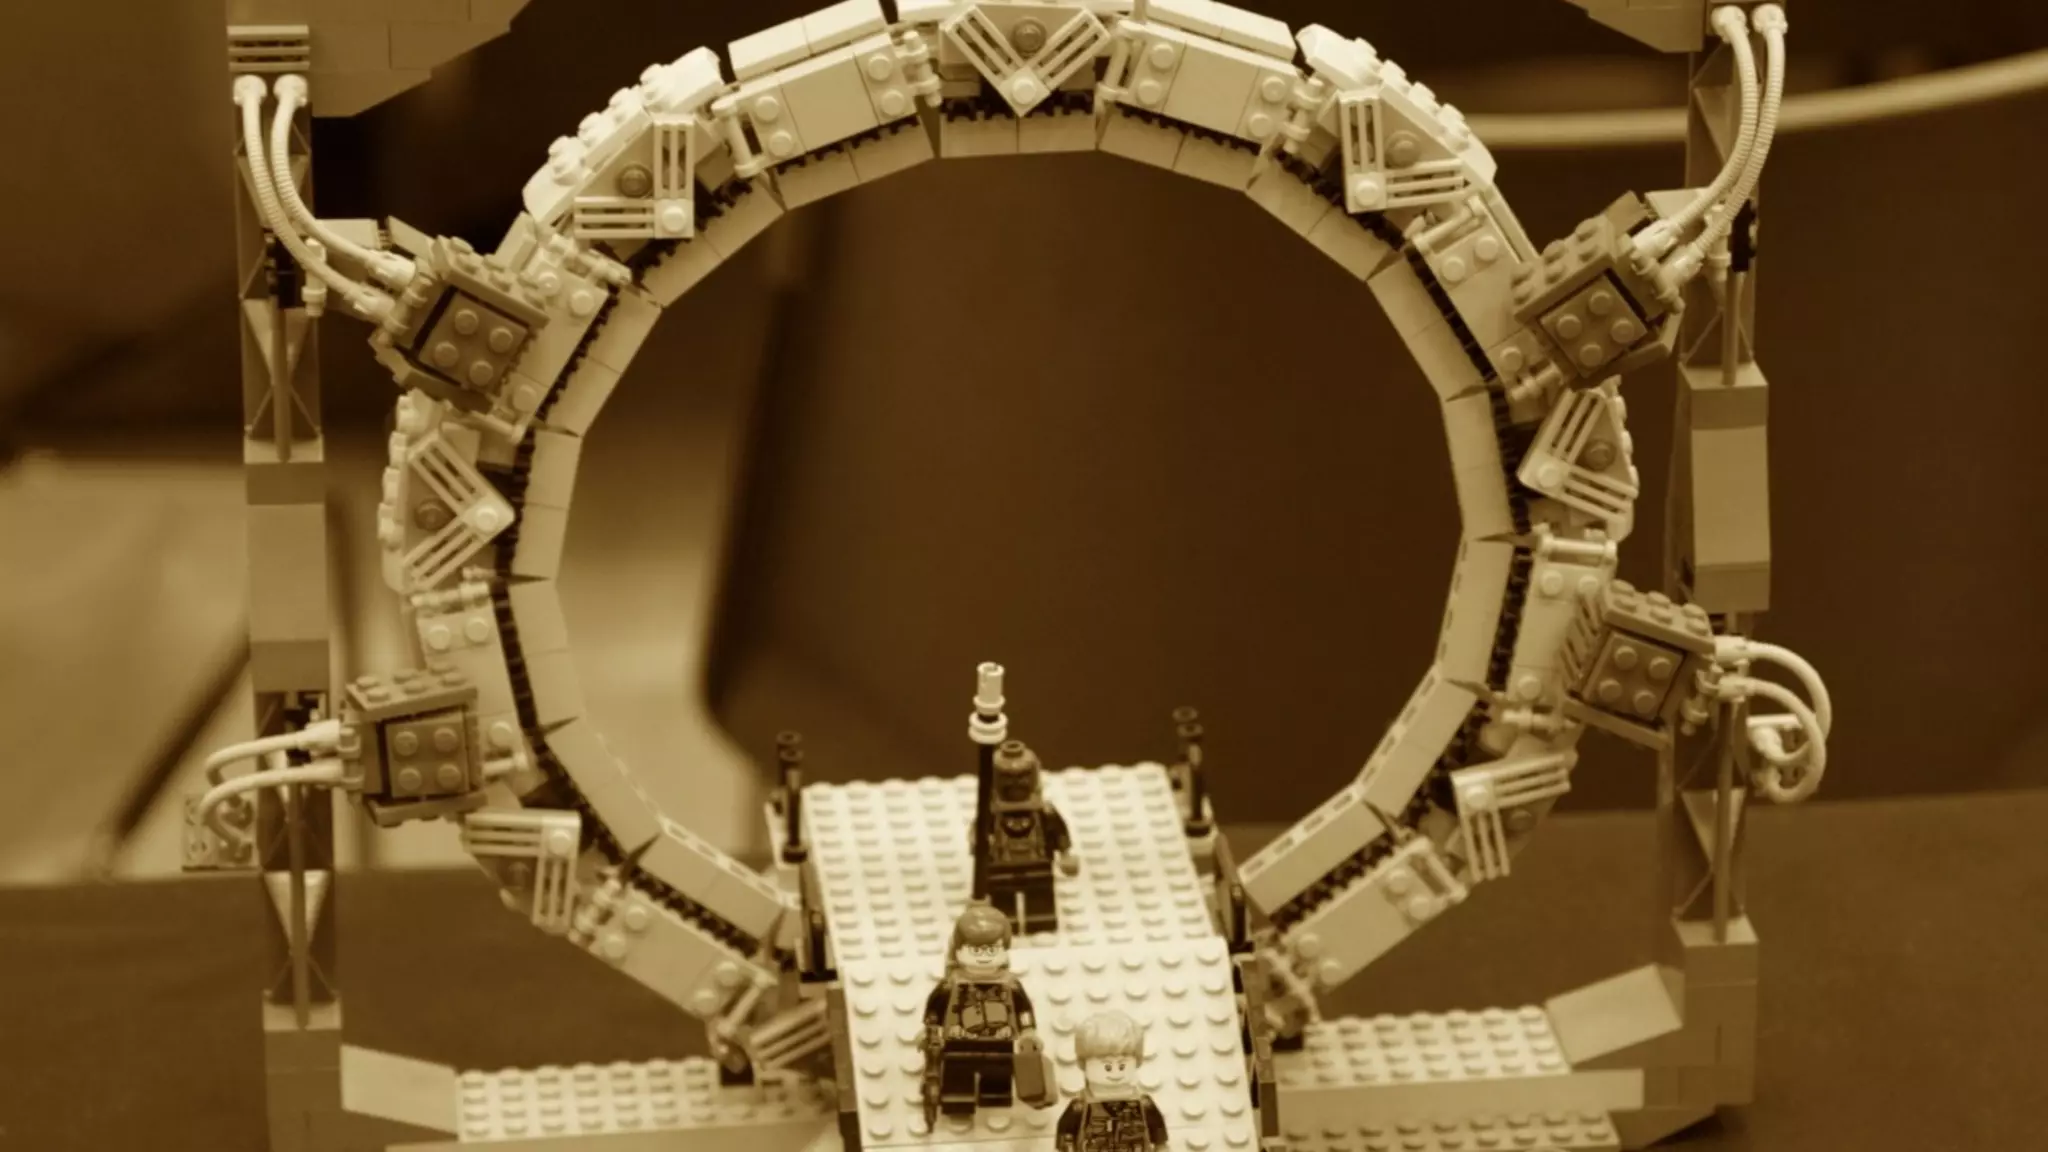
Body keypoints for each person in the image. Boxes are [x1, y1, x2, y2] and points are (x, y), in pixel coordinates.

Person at [922, 901, 1053, 1119]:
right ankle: (957, 1098)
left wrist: (1028, 1031)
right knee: (957, 1072)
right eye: (975, 950)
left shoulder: (1010, 984)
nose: (984, 955)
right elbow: (935, 1007)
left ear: (1004, 951)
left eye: (992, 949)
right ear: (958, 950)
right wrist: (932, 1028)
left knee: (998, 1073)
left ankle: (994, 1095)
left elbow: (1023, 1010)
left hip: (1000, 1041)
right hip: (958, 1041)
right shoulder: (951, 984)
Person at [1056, 1011, 1169, 1152]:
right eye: (1107, 1066)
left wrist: (1161, 1147)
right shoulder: (1079, 1107)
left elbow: (1159, 1136)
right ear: (1083, 1063)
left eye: (1122, 1065)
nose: (1116, 1073)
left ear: (1138, 1062)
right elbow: (1066, 1135)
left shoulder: (1144, 1104)